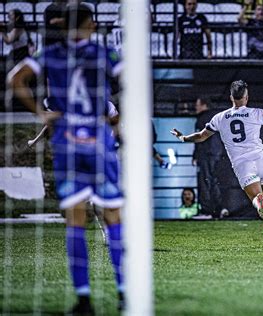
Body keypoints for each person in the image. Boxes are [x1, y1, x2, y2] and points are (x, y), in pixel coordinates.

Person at [9, 4, 124, 314]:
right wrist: (118, 125)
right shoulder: (104, 54)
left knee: (76, 220)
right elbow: (127, 84)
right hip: (99, 143)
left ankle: (84, 298)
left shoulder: (50, 55)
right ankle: (126, 290)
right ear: (88, 24)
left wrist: (40, 114)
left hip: (69, 144)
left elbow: (15, 79)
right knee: (113, 216)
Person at [171, 80, 263, 241]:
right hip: (260, 159)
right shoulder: (256, 113)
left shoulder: (220, 117)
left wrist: (183, 138)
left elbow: (200, 136)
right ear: (246, 97)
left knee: (256, 197)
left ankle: (258, 202)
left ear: (231, 97)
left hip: (242, 164)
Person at [193, 97, 227, 218]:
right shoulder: (216, 117)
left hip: (205, 154)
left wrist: (195, 156)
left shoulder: (201, 119)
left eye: (197, 104)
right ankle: (219, 209)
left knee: (204, 181)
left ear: (204, 105)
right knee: (214, 181)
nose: (195, 107)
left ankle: (206, 211)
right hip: (218, 153)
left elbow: (199, 139)